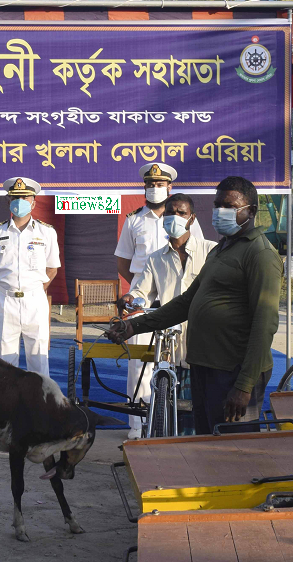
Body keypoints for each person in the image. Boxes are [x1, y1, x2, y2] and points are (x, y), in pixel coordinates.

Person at [107, 176, 282, 435]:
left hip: (232, 372)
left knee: (233, 451)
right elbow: (187, 301)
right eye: (217, 205)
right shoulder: (221, 250)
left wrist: (244, 386)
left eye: (230, 207)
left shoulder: (260, 254)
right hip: (205, 367)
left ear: (251, 211)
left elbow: (265, 324)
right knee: (204, 445)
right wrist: (134, 325)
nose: (221, 212)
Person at [115, 162, 205, 439]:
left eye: (160, 184)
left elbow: (198, 261)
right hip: (146, 305)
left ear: (169, 187)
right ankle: (138, 427)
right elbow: (125, 263)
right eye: (150, 184)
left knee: (188, 367)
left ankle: (184, 426)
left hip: (184, 309)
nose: (155, 189)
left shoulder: (191, 224)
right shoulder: (134, 220)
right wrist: (136, 295)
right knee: (139, 366)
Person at [0, 177, 60, 376]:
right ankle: (6, 407)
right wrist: (4, 290)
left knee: (39, 359)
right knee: (4, 362)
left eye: (25, 197)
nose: (20, 201)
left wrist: (35, 291)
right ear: (8, 200)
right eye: (15, 197)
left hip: (35, 300)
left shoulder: (47, 232)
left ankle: (39, 406)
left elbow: (52, 268)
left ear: (34, 201)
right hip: (6, 301)